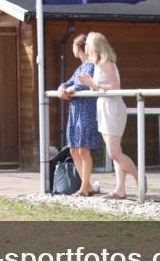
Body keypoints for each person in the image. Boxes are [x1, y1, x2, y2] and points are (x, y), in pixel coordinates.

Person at [78, 32, 143, 199]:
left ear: (95, 47)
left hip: (112, 108)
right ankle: (120, 189)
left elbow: (114, 87)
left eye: (88, 46)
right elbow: (100, 87)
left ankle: (140, 179)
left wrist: (93, 83)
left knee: (114, 153)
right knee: (115, 151)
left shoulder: (106, 62)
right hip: (105, 108)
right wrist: (90, 83)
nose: (86, 49)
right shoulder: (99, 64)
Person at [57, 34, 98, 195]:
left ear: (78, 48)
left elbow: (84, 86)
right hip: (74, 111)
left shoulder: (92, 66)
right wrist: (62, 88)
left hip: (86, 110)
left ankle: (84, 188)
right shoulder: (79, 68)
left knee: (83, 149)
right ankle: (86, 185)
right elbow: (68, 82)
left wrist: (71, 90)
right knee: (73, 149)